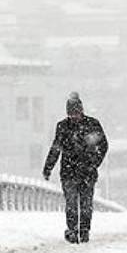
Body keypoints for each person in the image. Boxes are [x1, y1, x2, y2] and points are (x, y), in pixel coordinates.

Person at [43, 92, 108, 244]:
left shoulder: (92, 124)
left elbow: (103, 145)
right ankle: (73, 230)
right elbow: (56, 148)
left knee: (85, 203)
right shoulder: (63, 126)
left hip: (86, 171)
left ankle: (84, 230)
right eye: (71, 114)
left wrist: (94, 163)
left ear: (81, 111)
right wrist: (48, 167)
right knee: (72, 203)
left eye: (76, 113)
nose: (74, 117)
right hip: (69, 172)